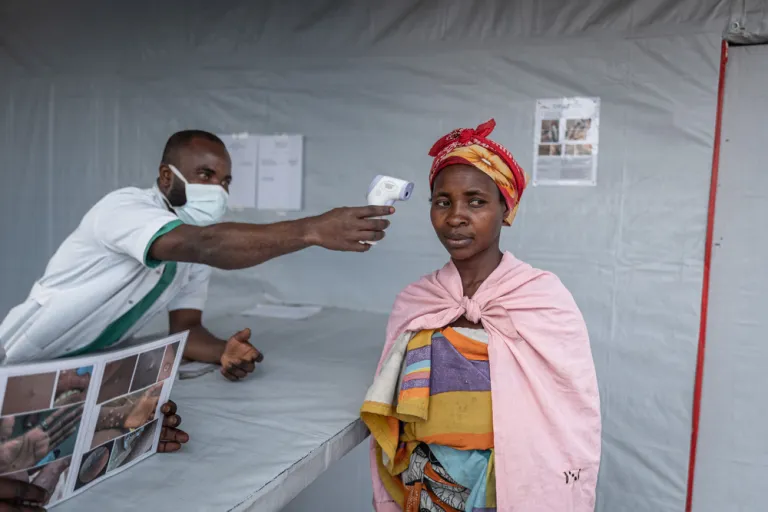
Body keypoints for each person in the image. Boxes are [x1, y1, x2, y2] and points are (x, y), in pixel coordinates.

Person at [0, 129, 394, 509]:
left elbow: (186, 329)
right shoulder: (125, 209)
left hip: (80, 378)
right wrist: (310, 229)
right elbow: (206, 245)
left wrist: (222, 350)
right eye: (205, 175)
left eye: (225, 181)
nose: (218, 189)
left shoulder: (192, 248)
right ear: (166, 176)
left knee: (54, 480)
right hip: (17, 365)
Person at [360, 120, 601, 511]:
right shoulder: (418, 301)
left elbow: (571, 408)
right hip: (429, 487)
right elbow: (392, 407)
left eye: (476, 201)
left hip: (515, 484)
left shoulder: (542, 299)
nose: (456, 216)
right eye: (443, 201)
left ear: (506, 208)